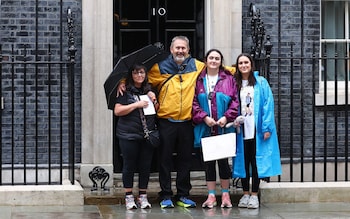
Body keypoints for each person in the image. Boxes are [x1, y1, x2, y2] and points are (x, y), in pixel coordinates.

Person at [146, 36, 206, 208]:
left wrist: (246, 75)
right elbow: (142, 80)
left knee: (185, 160)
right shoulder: (160, 67)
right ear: (171, 49)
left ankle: (183, 194)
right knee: (164, 160)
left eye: (183, 48)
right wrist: (149, 91)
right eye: (177, 48)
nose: (180, 51)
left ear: (188, 50)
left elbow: (218, 71)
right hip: (167, 121)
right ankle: (165, 195)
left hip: (187, 121)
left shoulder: (197, 66)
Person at [232, 53, 282, 209]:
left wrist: (266, 127)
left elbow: (268, 105)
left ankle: (254, 195)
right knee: (243, 162)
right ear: (237, 66)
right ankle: (245, 193)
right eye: (240, 63)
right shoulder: (235, 83)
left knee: (256, 161)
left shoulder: (261, 82)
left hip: (256, 129)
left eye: (246, 62)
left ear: (251, 64)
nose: (243, 65)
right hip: (240, 129)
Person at [192, 49, 239, 208]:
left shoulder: (229, 79)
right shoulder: (198, 79)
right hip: (206, 128)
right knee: (209, 163)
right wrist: (204, 117)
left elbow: (235, 101)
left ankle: (225, 195)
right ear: (206, 60)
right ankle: (211, 196)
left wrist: (226, 117)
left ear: (221, 61)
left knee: (224, 162)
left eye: (217, 58)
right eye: (211, 58)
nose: (213, 61)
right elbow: (194, 103)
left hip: (223, 128)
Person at [114, 64, 158, 210]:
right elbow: (118, 111)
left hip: (147, 134)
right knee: (129, 165)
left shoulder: (149, 90)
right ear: (130, 75)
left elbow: (156, 110)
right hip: (128, 134)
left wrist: (154, 99)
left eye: (142, 72)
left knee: (145, 166)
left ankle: (143, 196)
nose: (139, 75)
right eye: (135, 73)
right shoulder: (124, 90)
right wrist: (136, 105)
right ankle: (128, 196)